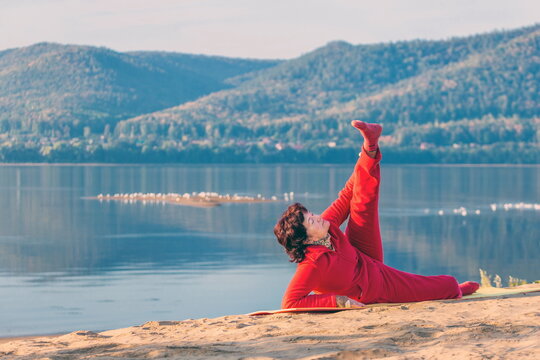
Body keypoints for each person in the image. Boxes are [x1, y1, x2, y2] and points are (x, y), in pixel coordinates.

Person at [273, 120, 480, 309]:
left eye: (311, 214)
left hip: (363, 255)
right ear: (307, 239)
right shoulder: (312, 264)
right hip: (376, 285)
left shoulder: (327, 226)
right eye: (311, 220)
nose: (317, 217)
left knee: (361, 203)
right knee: (445, 284)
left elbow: (347, 194)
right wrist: (338, 300)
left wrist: (367, 152)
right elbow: (290, 303)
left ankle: (371, 141)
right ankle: (457, 288)